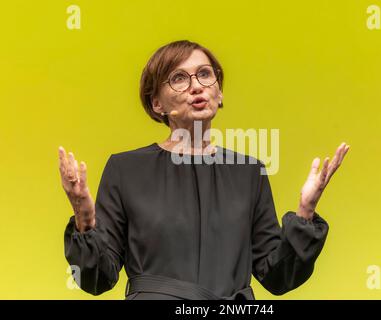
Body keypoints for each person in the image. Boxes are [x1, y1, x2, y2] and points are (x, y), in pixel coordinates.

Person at [58, 40, 350, 300]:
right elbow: (98, 279)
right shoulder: (125, 169)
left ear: (219, 94)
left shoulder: (249, 172)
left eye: (205, 74)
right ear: (156, 103)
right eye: (179, 78)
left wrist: (305, 212)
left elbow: (276, 277)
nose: (196, 86)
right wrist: (84, 218)